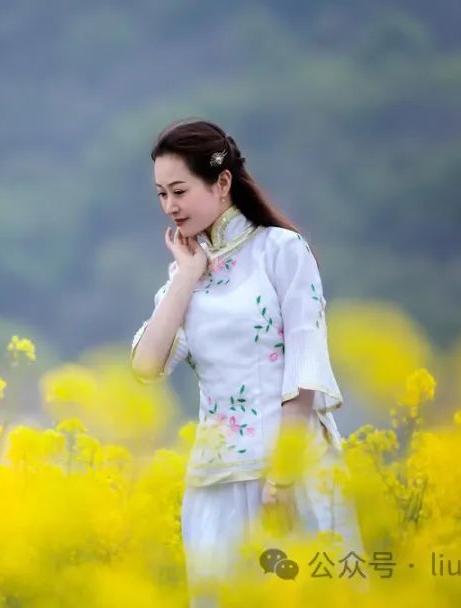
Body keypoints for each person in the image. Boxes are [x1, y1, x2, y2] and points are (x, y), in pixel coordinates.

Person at [130, 119, 364, 604]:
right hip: (215, 484)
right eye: (160, 195)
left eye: (179, 190)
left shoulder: (281, 251)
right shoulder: (186, 276)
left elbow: (304, 369)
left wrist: (281, 477)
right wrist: (187, 275)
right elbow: (146, 366)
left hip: (289, 471)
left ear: (221, 183)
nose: (170, 206)